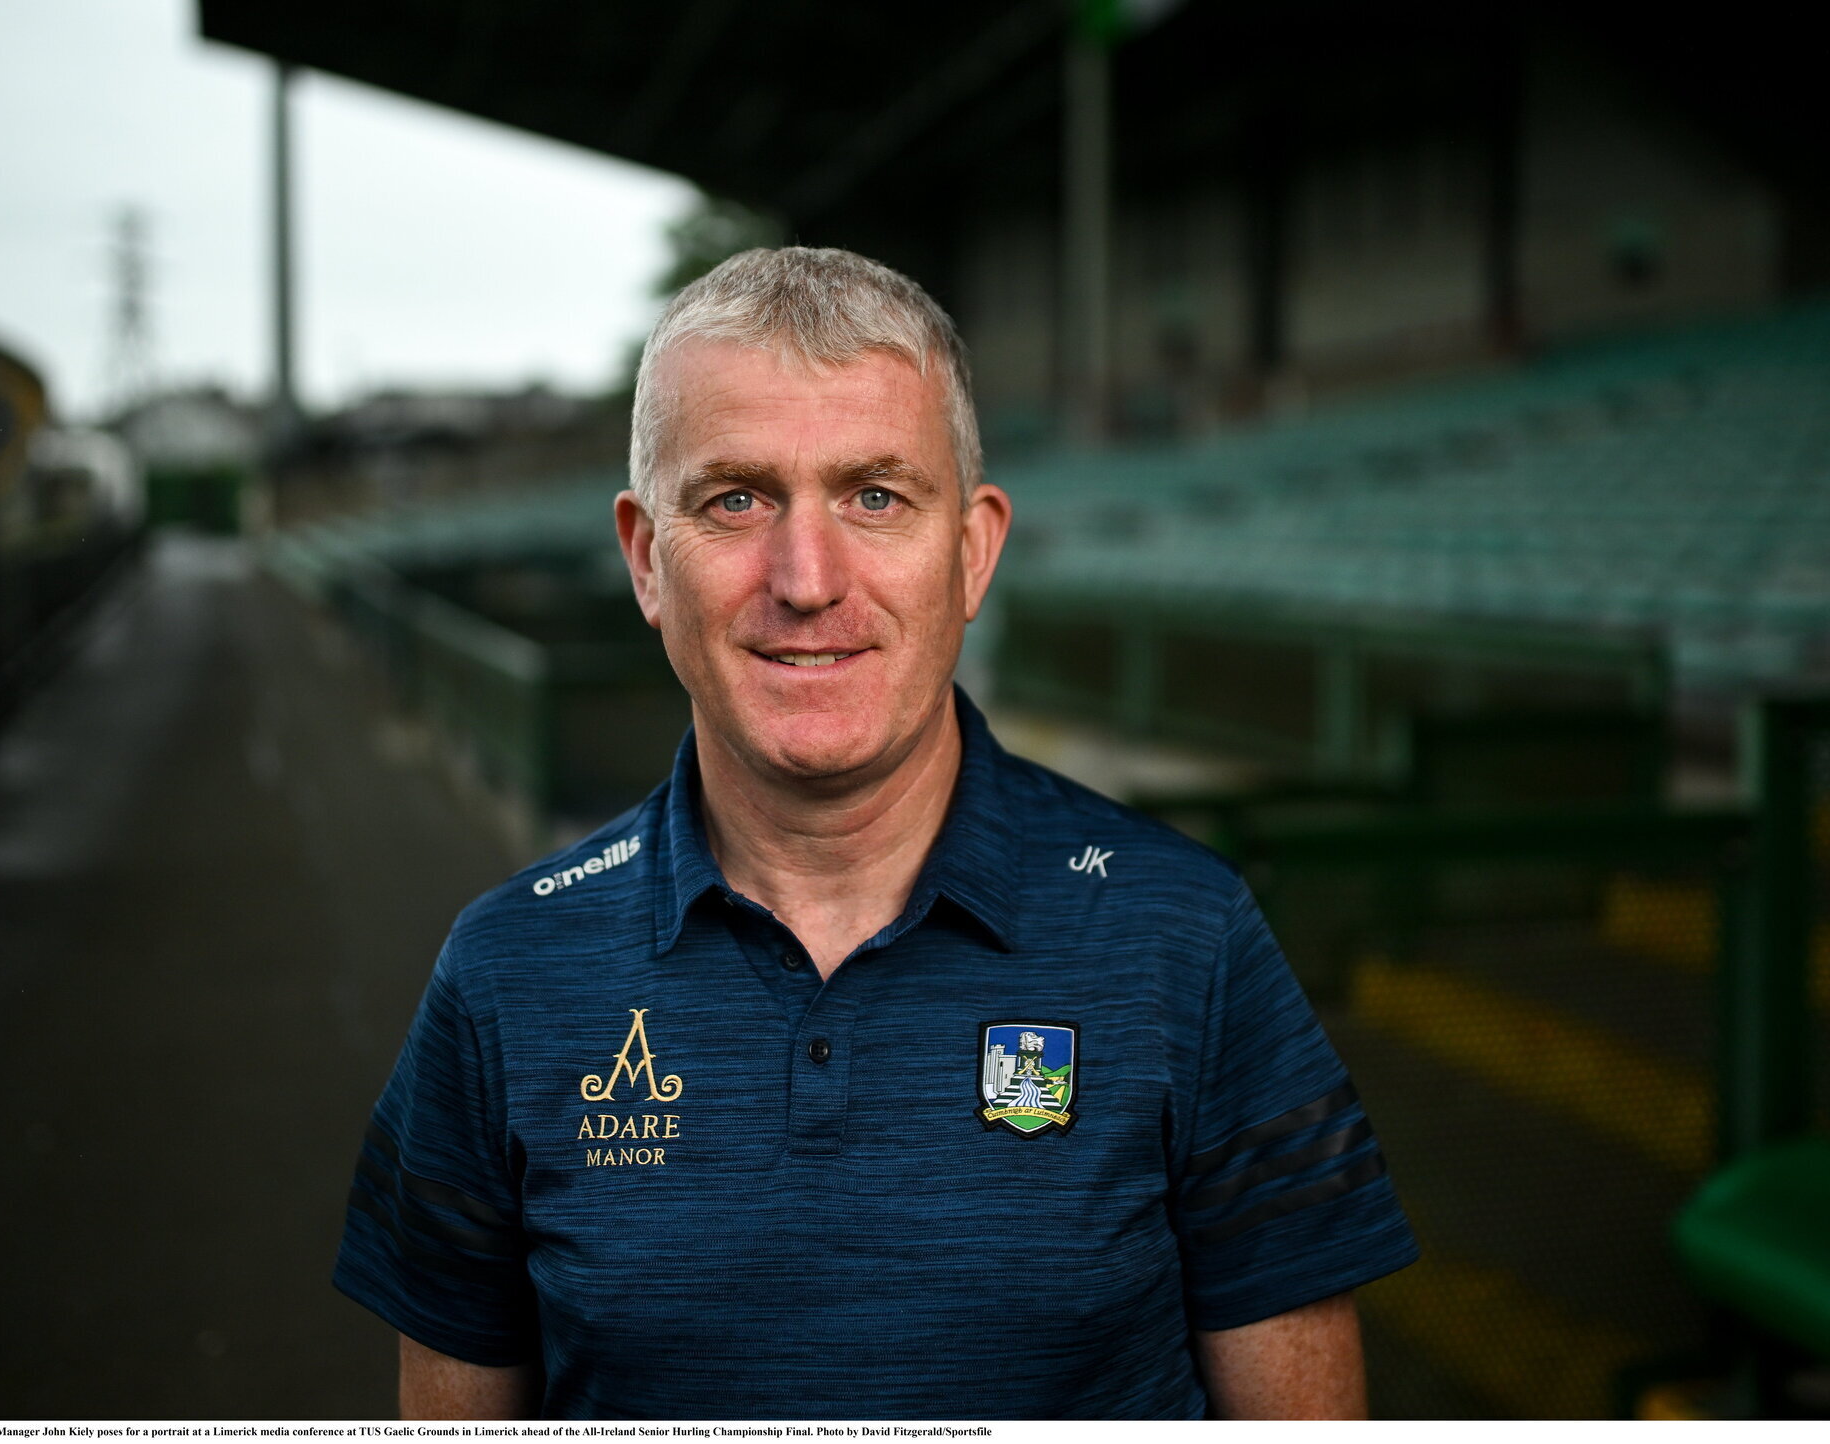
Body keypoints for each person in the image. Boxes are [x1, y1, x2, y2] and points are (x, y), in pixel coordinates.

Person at [333, 247, 1419, 1420]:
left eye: (876, 497)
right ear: (646, 559)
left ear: (972, 551)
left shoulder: (1186, 938)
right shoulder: (504, 974)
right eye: (735, 499)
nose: (807, 579)